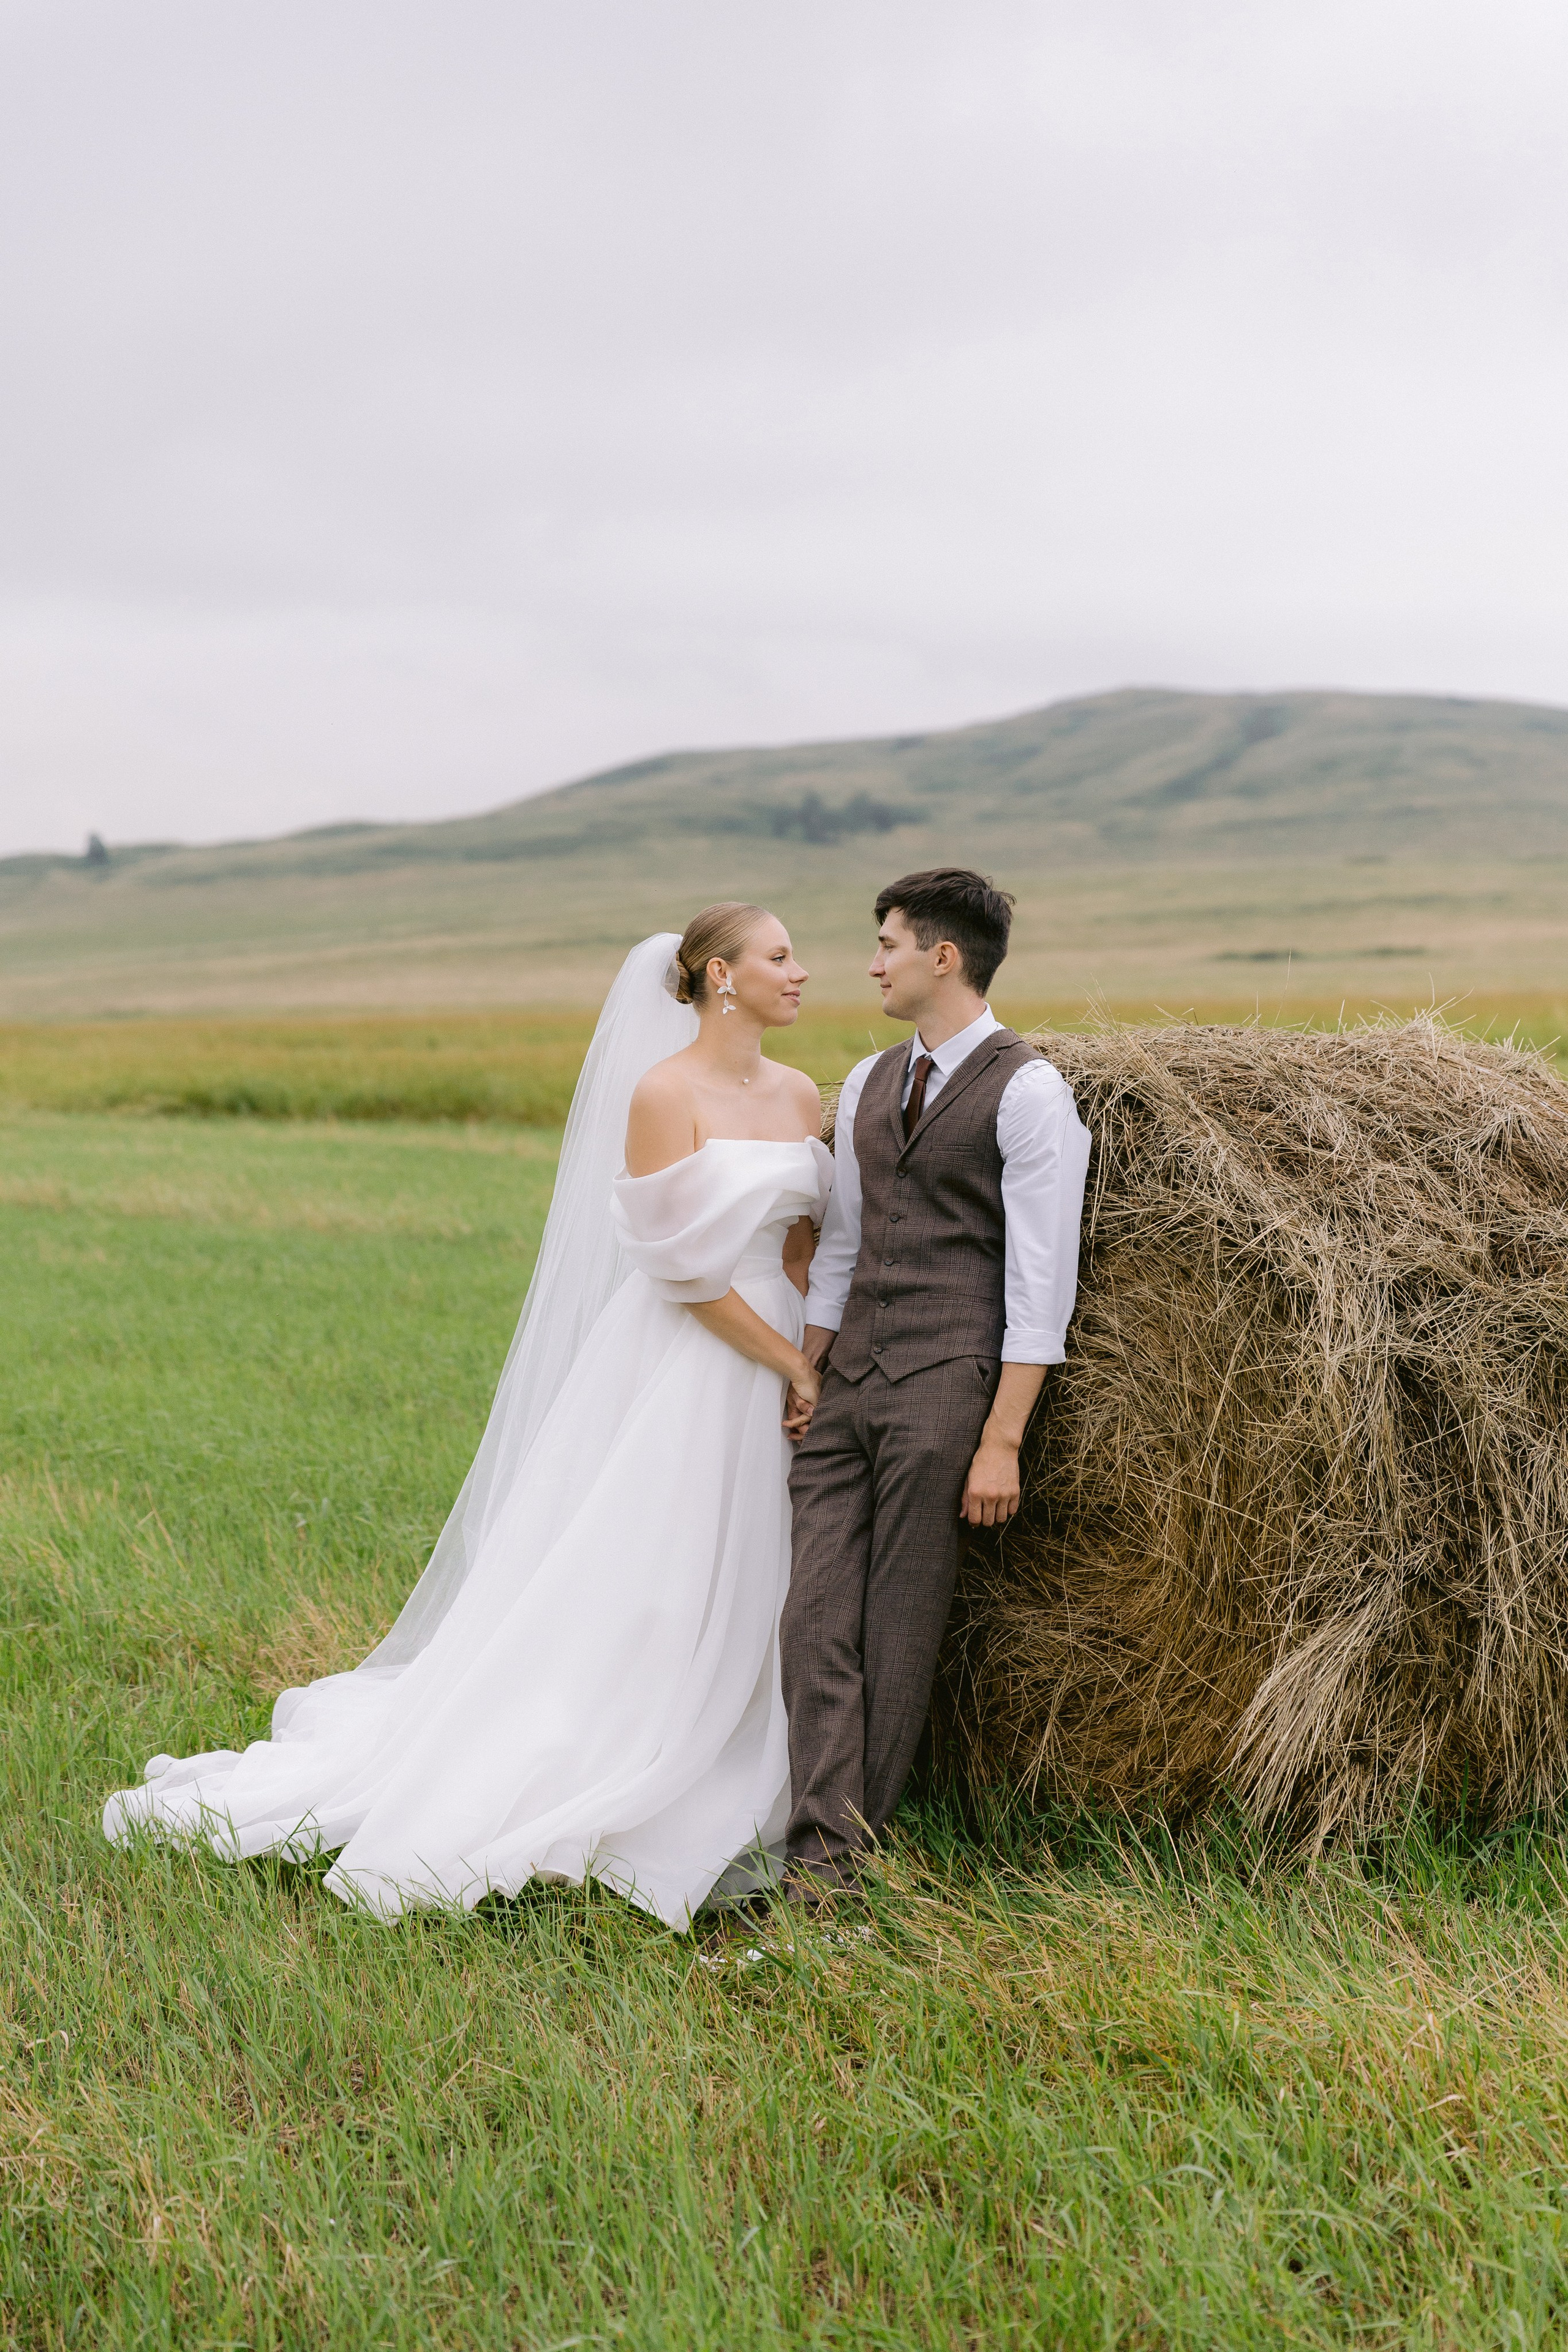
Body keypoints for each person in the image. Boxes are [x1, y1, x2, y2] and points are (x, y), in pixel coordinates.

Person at [105, 908, 830, 1930]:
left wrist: (819, 1352)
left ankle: (765, 1745)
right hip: (696, 1356)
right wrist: (790, 1361)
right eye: (780, 956)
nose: (803, 972)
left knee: (773, 1560)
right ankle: (626, 1751)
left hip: (790, 1346)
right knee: (663, 1566)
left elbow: (803, 1244)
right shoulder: (664, 1094)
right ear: (722, 975)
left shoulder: (802, 1092)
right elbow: (680, 1271)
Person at [780, 867, 1091, 1901]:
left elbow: (1041, 1283)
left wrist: (1001, 1438)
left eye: (888, 944)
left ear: (942, 957)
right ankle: (826, 1840)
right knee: (814, 1615)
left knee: (899, 1622)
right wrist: (810, 1363)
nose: (872, 962)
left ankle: (830, 1866)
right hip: (852, 1379)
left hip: (948, 1383)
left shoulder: (1032, 1091)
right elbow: (845, 1247)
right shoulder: (868, 1081)